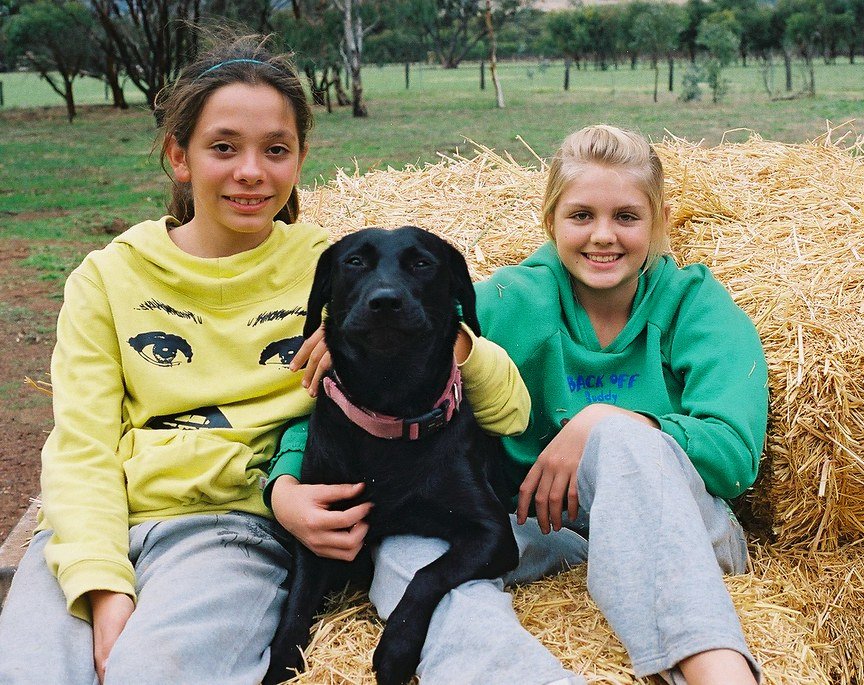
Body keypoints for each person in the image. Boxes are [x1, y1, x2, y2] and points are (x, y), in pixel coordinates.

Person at [0, 33, 528, 685]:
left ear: (299, 159)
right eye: (223, 147)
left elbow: (506, 407)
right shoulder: (108, 277)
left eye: (275, 150)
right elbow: (81, 446)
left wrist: (431, 332)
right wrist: (103, 586)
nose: (251, 171)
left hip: (229, 528)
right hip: (93, 523)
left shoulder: (339, 274)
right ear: (179, 156)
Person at [269, 125, 768, 685]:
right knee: (406, 551)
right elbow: (345, 401)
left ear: (660, 222)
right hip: (541, 534)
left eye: (627, 217)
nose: (603, 235)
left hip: (680, 535)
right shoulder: (503, 301)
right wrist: (287, 485)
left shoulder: (696, 306)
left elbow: (734, 455)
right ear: (550, 221)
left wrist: (604, 420)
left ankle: (719, 674)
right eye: (581, 215)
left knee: (620, 439)